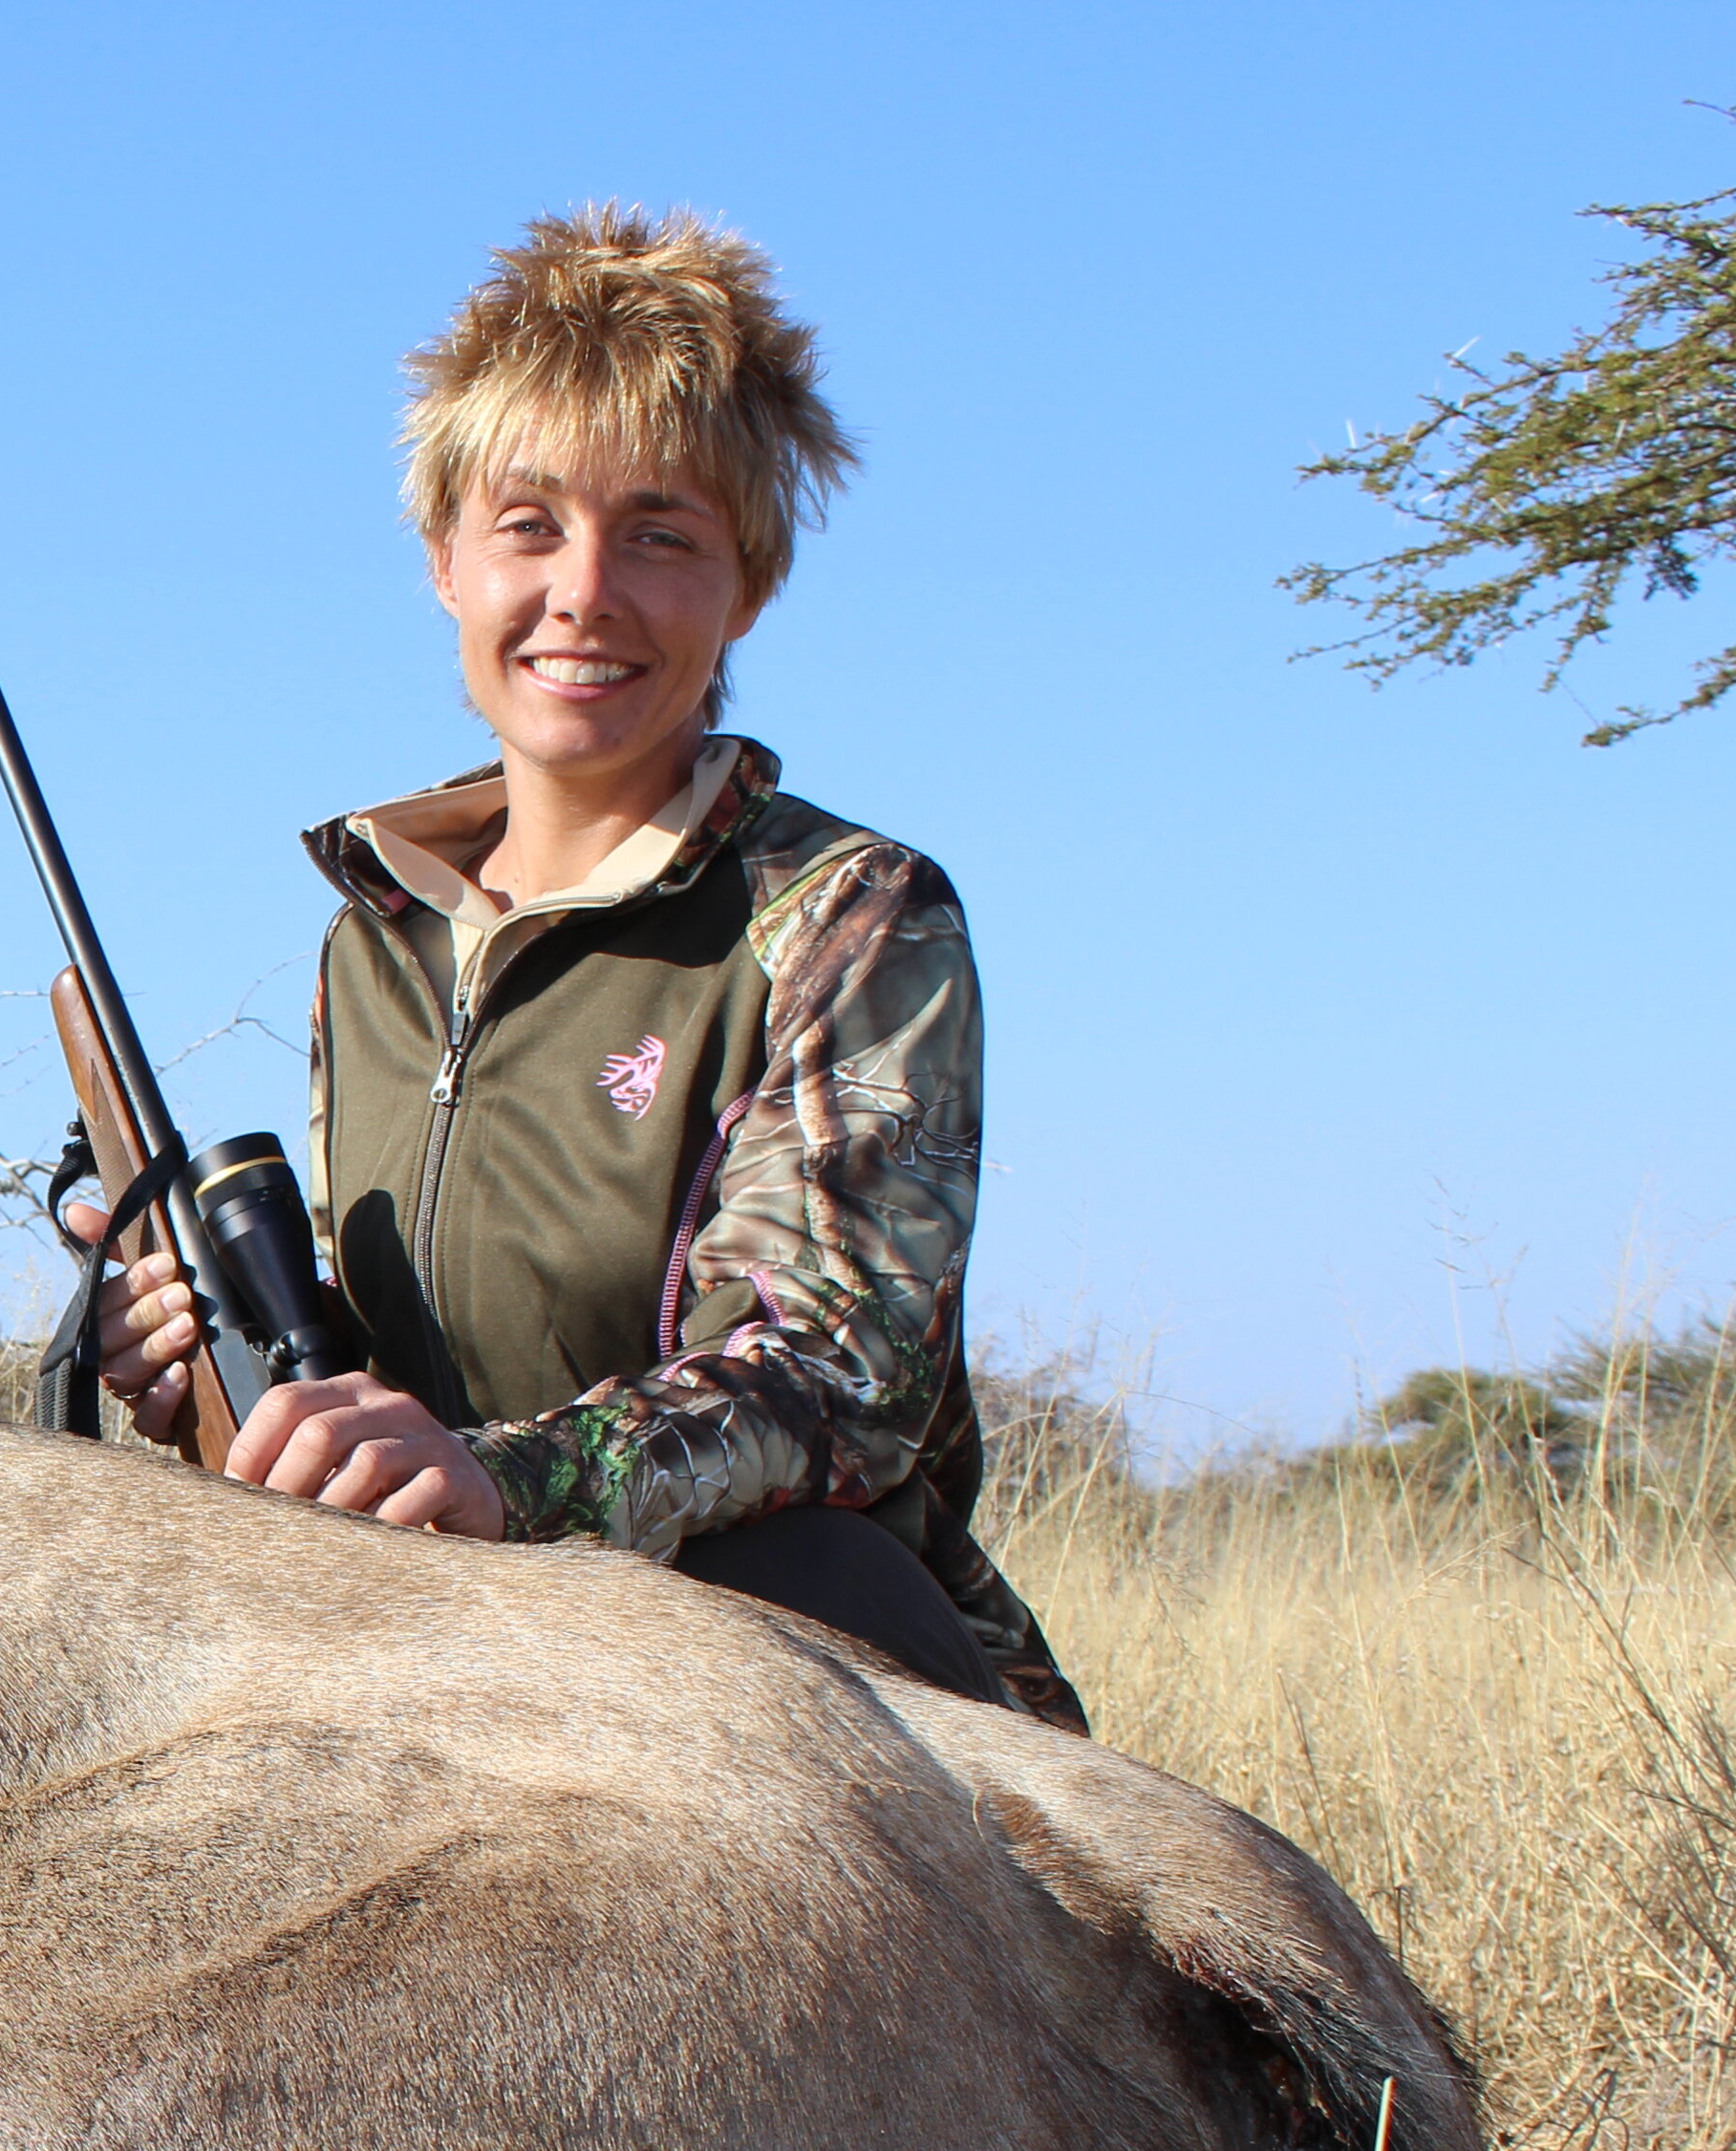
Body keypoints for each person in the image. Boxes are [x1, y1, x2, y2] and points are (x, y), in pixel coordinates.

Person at [67, 205, 1081, 1729]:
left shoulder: (851, 913)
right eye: (529, 525)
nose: (585, 592)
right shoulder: (379, 938)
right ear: (445, 565)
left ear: (749, 582)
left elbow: (832, 1381)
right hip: (463, 1654)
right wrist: (215, 1385)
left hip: (800, 1669)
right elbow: (413, 1361)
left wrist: (495, 1481)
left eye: (660, 534)